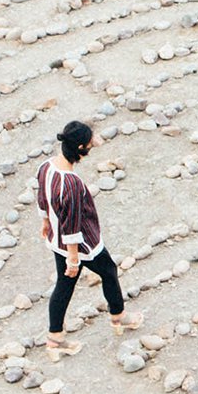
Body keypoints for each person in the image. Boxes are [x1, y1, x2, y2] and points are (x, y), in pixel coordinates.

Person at [36, 120, 139, 359]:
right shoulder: (70, 184)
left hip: (57, 239)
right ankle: (119, 316)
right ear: (81, 147)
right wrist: (74, 257)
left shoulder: (46, 166)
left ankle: (55, 338)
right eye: (90, 144)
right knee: (109, 271)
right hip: (82, 245)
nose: (92, 146)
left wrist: (45, 222)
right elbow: (72, 221)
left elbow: (42, 197)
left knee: (64, 286)